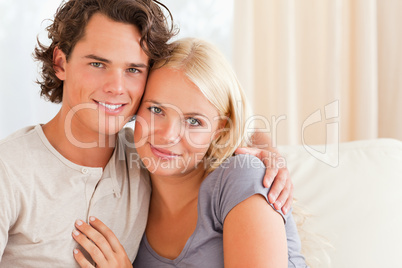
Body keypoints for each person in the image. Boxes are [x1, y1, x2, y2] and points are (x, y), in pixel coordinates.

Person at [0, 0, 294, 267]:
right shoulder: (9, 169)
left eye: (133, 69)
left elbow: (206, 107)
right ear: (61, 63)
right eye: (98, 64)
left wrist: (267, 151)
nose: (116, 87)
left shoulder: (144, 159)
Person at [72, 38, 308, 267]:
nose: (167, 135)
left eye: (193, 121)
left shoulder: (241, 178)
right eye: (156, 109)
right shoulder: (127, 181)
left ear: (219, 131)